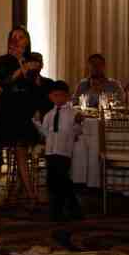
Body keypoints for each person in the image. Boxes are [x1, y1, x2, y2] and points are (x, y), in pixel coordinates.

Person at [0, 26, 42, 203]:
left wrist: (33, 73)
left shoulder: (32, 59)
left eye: (20, 37)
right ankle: (31, 193)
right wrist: (21, 69)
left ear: (26, 40)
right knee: (20, 150)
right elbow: (4, 82)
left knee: (23, 150)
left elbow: (35, 86)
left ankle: (22, 187)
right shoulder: (4, 60)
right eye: (13, 37)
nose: (16, 39)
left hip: (25, 111)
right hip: (9, 111)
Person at [34, 80, 82, 222]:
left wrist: (78, 123)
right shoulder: (49, 115)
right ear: (51, 97)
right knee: (53, 181)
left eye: (62, 95)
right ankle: (64, 209)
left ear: (67, 96)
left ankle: (62, 210)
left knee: (62, 179)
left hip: (64, 151)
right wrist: (36, 122)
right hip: (50, 151)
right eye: (55, 95)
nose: (58, 98)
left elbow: (77, 132)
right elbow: (45, 133)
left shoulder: (73, 114)